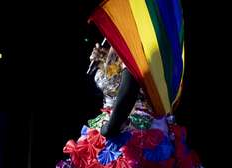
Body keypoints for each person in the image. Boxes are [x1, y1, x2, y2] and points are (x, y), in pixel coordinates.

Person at [56, 43, 203, 168]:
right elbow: (112, 88)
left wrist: (110, 128)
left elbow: (128, 93)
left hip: (133, 128)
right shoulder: (116, 45)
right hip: (117, 120)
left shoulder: (136, 46)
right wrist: (103, 59)